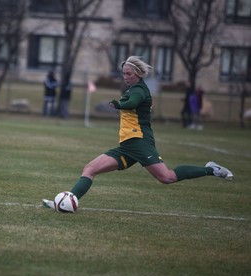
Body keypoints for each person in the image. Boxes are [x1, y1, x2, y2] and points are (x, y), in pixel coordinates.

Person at [42, 56, 233, 210]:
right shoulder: (133, 88)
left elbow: (132, 102)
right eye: (124, 73)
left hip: (140, 142)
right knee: (89, 169)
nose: (126, 77)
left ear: (138, 73)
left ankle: (211, 169)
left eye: (129, 74)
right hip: (127, 146)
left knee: (167, 177)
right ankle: (66, 202)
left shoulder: (140, 90)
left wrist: (119, 104)